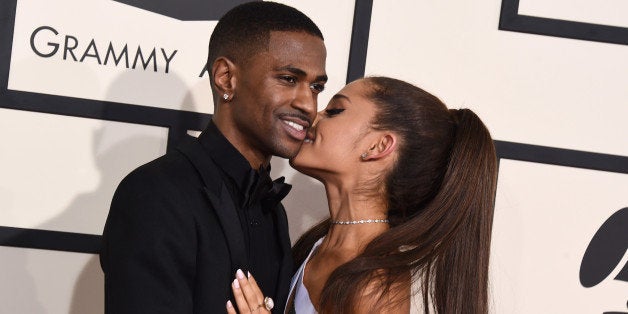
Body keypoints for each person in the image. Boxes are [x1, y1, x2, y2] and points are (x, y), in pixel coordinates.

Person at [99, 2, 328, 313]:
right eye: (289, 79)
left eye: (316, 87)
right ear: (226, 78)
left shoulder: (273, 211)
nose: (308, 105)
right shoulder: (155, 193)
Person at [226, 77, 497, 313]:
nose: (313, 115)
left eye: (334, 111)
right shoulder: (316, 245)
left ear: (379, 145)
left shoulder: (377, 285)